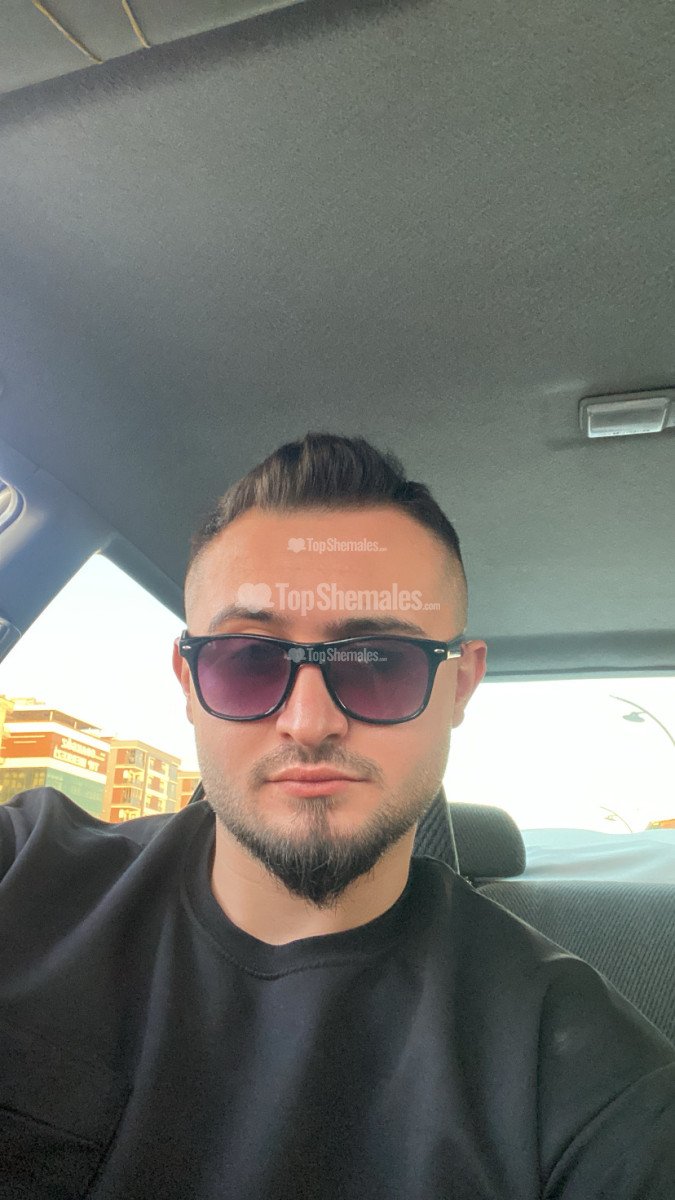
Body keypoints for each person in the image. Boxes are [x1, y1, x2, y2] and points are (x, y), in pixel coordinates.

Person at [0, 431, 673, 1200]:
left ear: (459, 687)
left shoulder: (578, 1073)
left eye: (379, 661)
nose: (308, 722)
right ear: (189, 683)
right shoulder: (20, 873)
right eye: (250, 660)